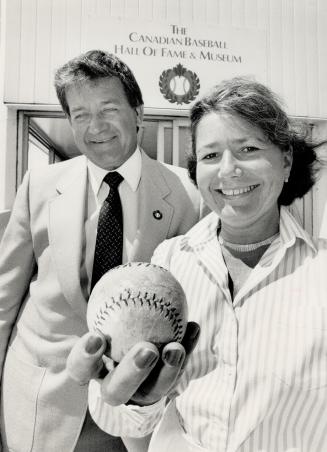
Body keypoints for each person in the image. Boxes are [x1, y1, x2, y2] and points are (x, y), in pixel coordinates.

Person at [68, 77, 327, 452]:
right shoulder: (168, 263)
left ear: (285, 161)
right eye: (210, 156)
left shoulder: (320, 272)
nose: (228, 170)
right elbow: (125, 423)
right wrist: (136, 399)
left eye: (249, 148)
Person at [0, 50, 206, 452]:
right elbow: (3, 303)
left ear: (138, 113)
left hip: (135, 410)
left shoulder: (190, 196)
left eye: (109, 109)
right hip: (41, 403)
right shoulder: (39, 186)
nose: (95, 127)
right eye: (79, 115)